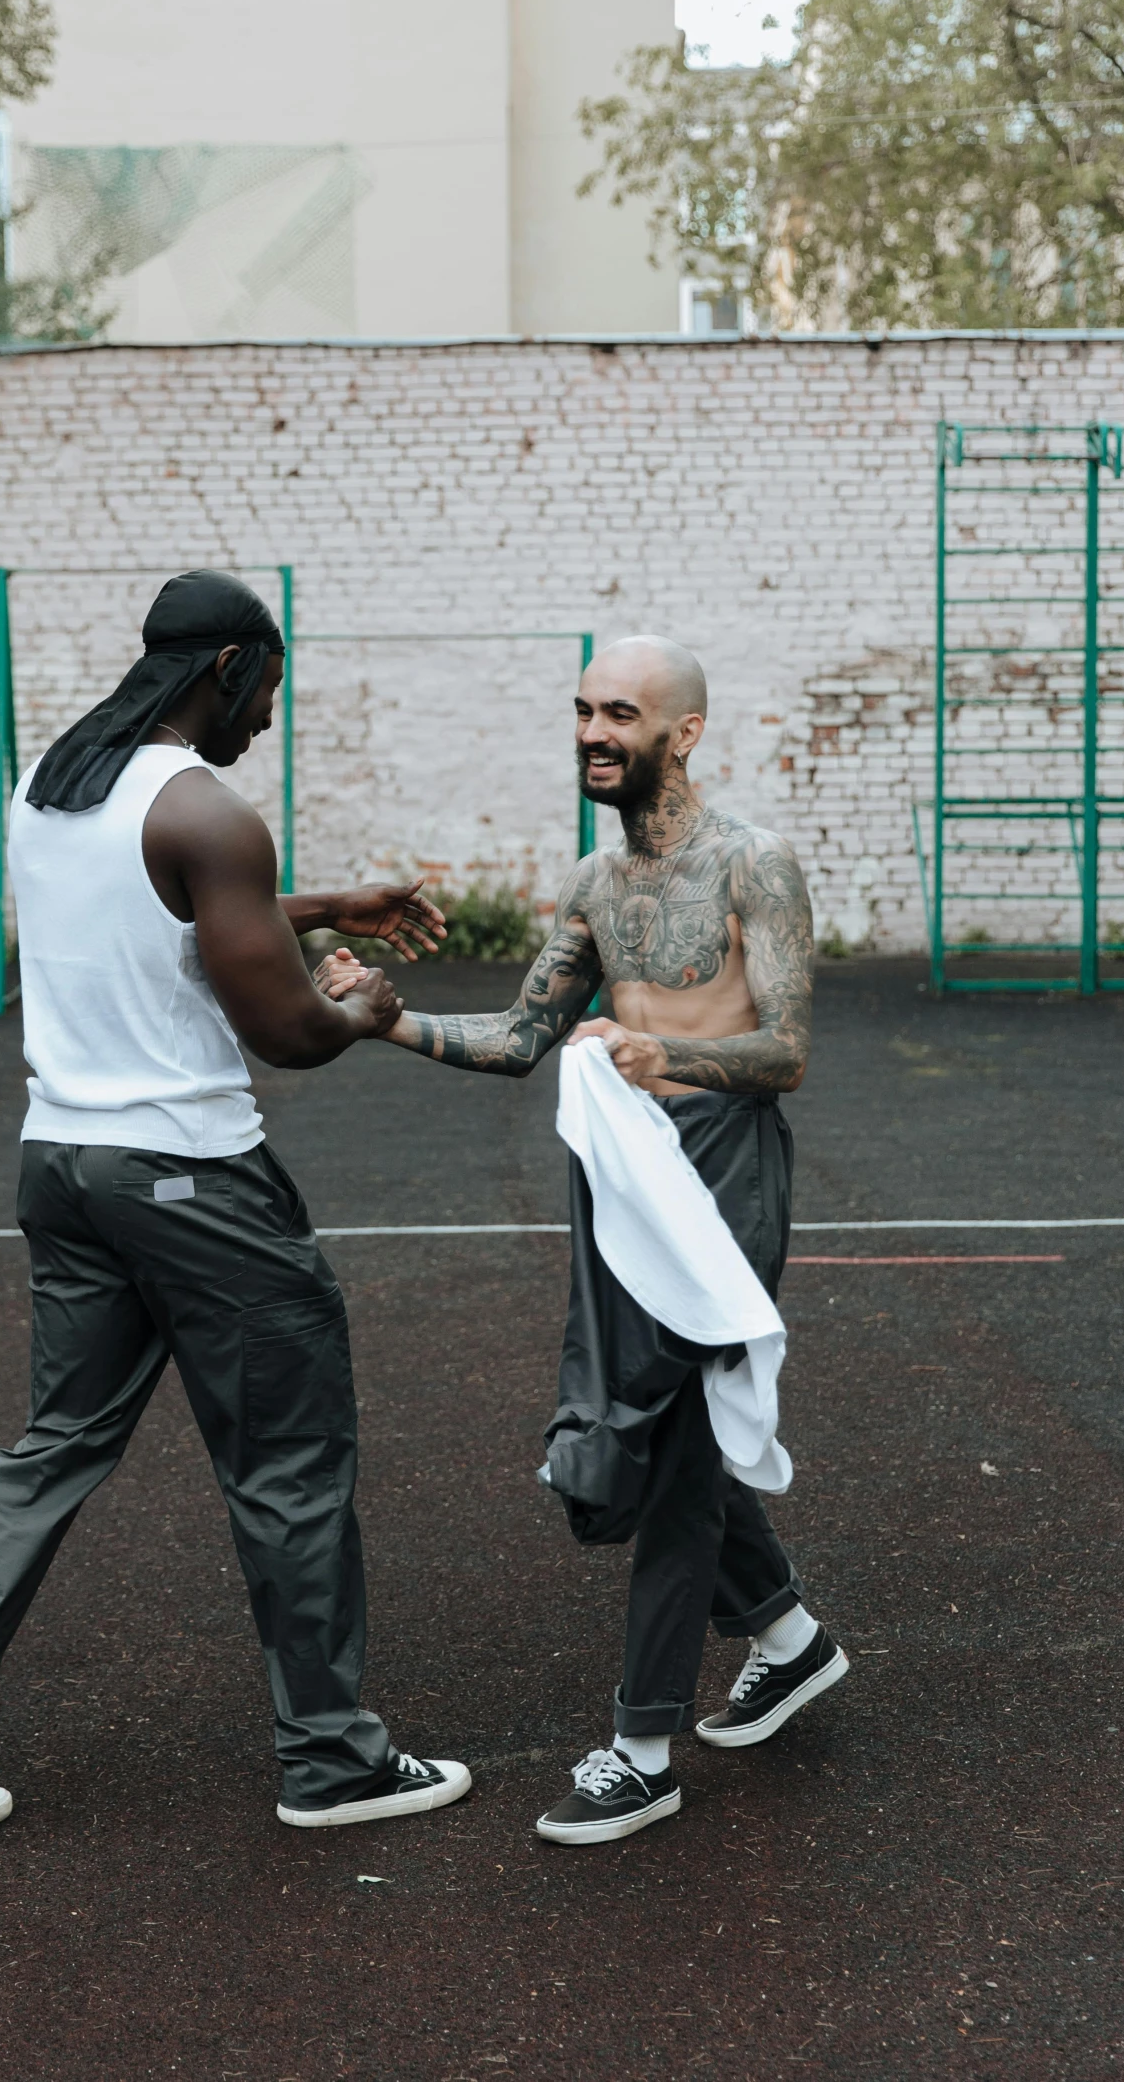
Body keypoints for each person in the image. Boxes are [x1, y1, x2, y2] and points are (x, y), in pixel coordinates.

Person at [0, 570, 471, 1833]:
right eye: (265, 695)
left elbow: (151, 915)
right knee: (289, 1466)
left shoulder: (52, 779)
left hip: (64, 1168)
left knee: (52, 1447)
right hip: (194, 1185)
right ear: (230, 669)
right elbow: (290, 1031)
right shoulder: (207, 810)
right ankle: (332, 1762)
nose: (262, 724)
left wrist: (321, 902)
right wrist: (367, 1007)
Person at [323, 634, 846, 1847]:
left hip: (724, 1168)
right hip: (624, 1172)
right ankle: (786, 1637)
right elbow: (519, 1038)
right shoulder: (592, 886)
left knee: (656, 1451)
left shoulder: (754, 863)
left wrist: (674, 1056)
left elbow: (789, 1054)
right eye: (581, 711)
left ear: (685, 731)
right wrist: (386, 1023)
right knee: (657, 1433)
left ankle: (642, 1747)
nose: (592, 732)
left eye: (619, 712)